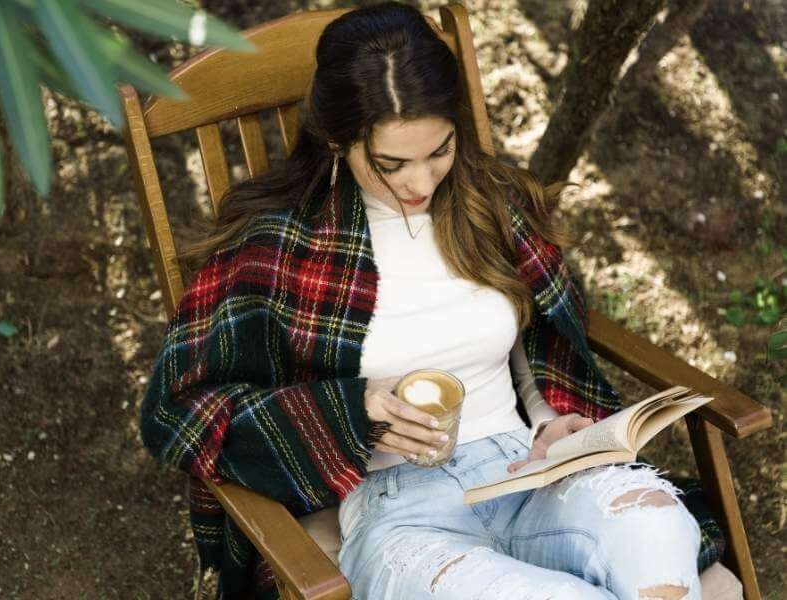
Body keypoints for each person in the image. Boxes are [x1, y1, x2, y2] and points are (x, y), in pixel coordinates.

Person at [140, 3, 719, 599]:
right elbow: (177, 410)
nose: (421, 184)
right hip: (399, 510)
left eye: (438, 151)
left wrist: (549, 420)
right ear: (339, 141)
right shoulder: (280, 248)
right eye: (392, 164)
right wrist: (351, 412)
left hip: (529, 471)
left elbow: (532, 337)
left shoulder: (488, 204)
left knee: (656, 526)